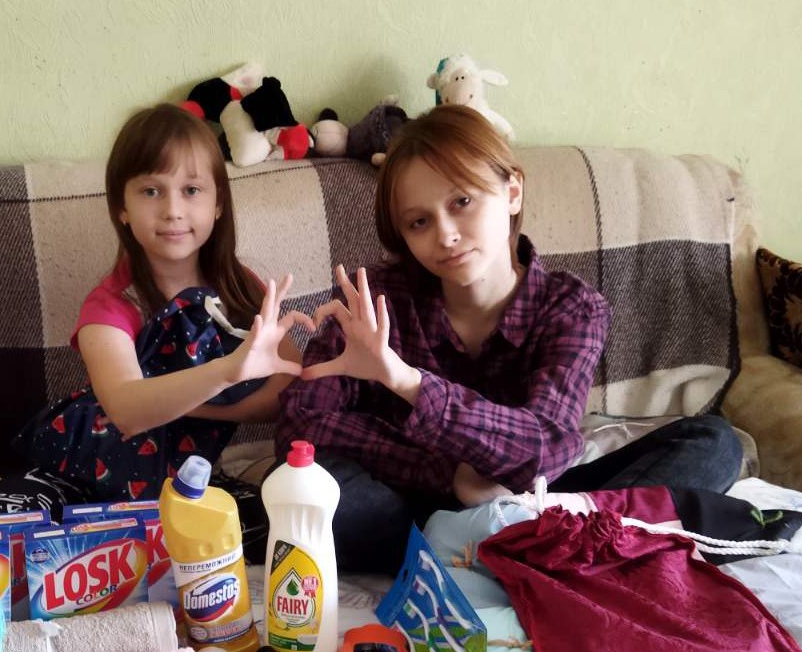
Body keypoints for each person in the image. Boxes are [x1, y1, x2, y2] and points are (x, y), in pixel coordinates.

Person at [276, 104, 742, 573]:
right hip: (411, 506)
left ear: (512, 190)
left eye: (462, 202)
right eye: (419, 222)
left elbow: (548, 447)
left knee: (715, 443)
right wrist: (446, 474)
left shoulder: (572, 306)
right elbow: (301, 423)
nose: (447, 235)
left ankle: (510, 549)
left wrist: (408, 382)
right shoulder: (374, 298)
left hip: (538, 499)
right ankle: (537, 555)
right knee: (320, 490)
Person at [10, 103, 307, 505]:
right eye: (152, 191)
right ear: (122, 208)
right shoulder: (111, 304)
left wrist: (198, 409)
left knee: (267, 518)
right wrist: (225, 373)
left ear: (217, 204)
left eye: (191, 190)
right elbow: (127, 409)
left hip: (182, 480)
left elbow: (286, 382)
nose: (172, 211)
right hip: (83, 466)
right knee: (9, 513)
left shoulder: (239, 288)